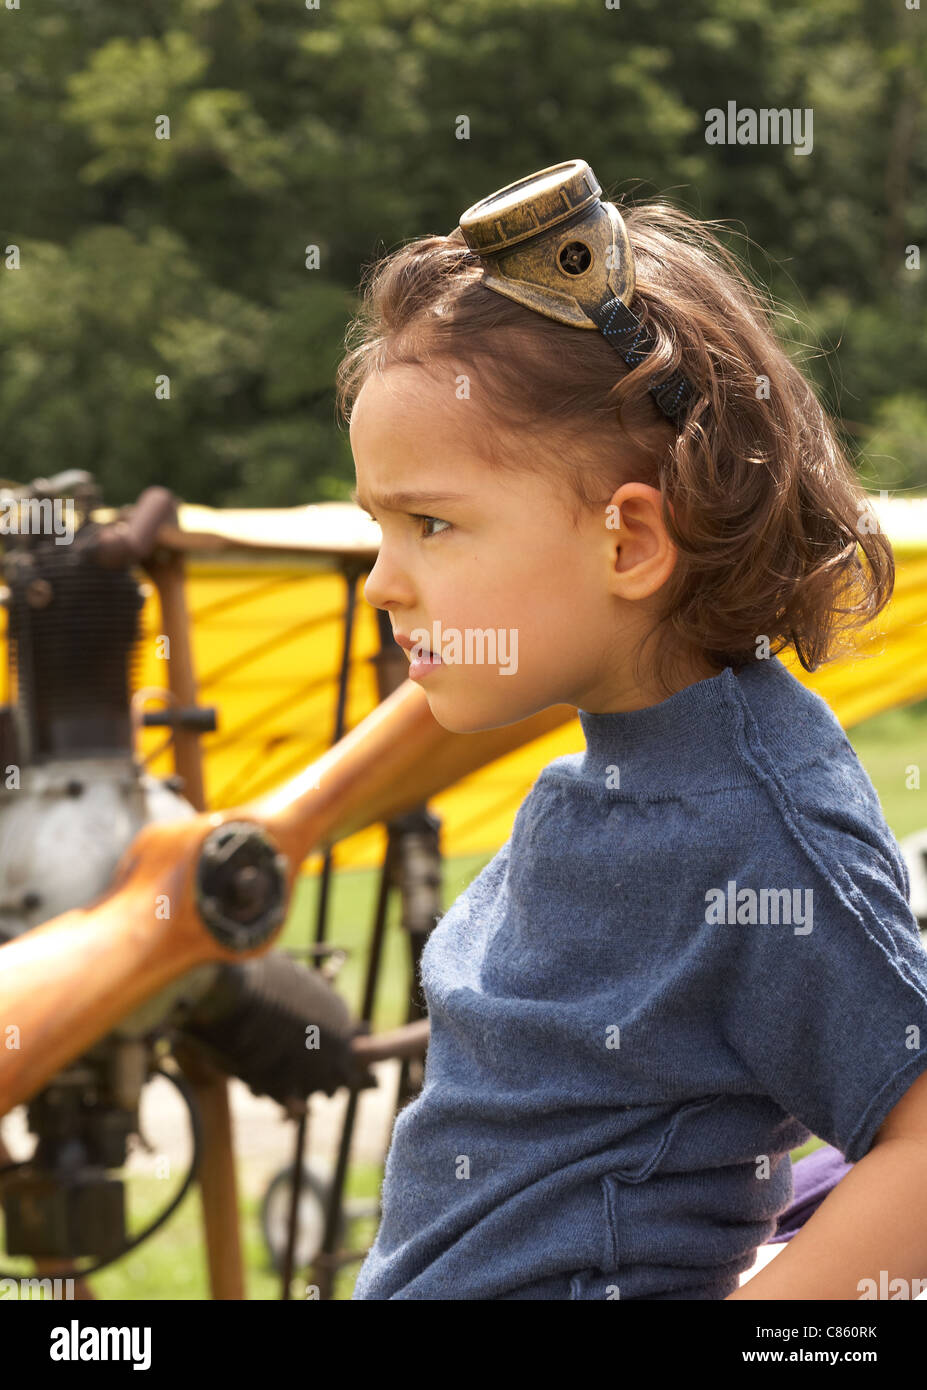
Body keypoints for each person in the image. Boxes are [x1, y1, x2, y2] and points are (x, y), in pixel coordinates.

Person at [337, 161, 927, 1300]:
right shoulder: (615, 770)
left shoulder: (756, 824)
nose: (380, 583)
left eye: (429, 524)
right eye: (379, 525)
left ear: (628, 544)